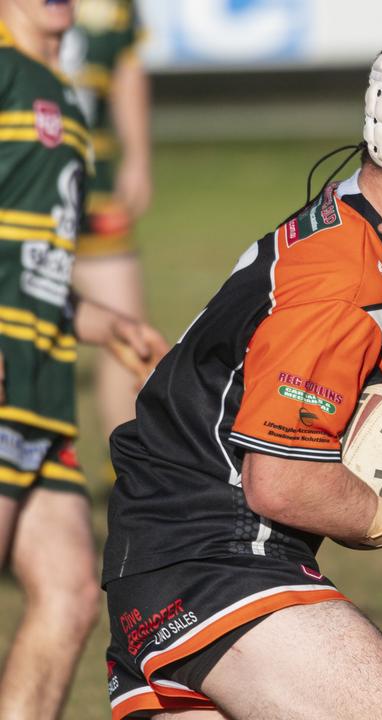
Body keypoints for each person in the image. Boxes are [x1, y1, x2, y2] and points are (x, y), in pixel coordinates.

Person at [101, 28, 382, 720]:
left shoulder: (372, 240)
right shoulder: (346, 277)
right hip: (221, 562)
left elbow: (351, 432)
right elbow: (283, 481)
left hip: (169, 568)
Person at [0, 0, 166, 718]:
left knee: (68, 594)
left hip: (42, 393)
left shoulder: (65, 97)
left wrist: (110, 323)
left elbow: (35, 265)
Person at [61, 0, 152, 454]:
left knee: (127, 333)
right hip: (16, 194)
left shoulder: (113, 8)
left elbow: (125, 66)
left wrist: (137, 157)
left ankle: (127, 475)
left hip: (92, 188)